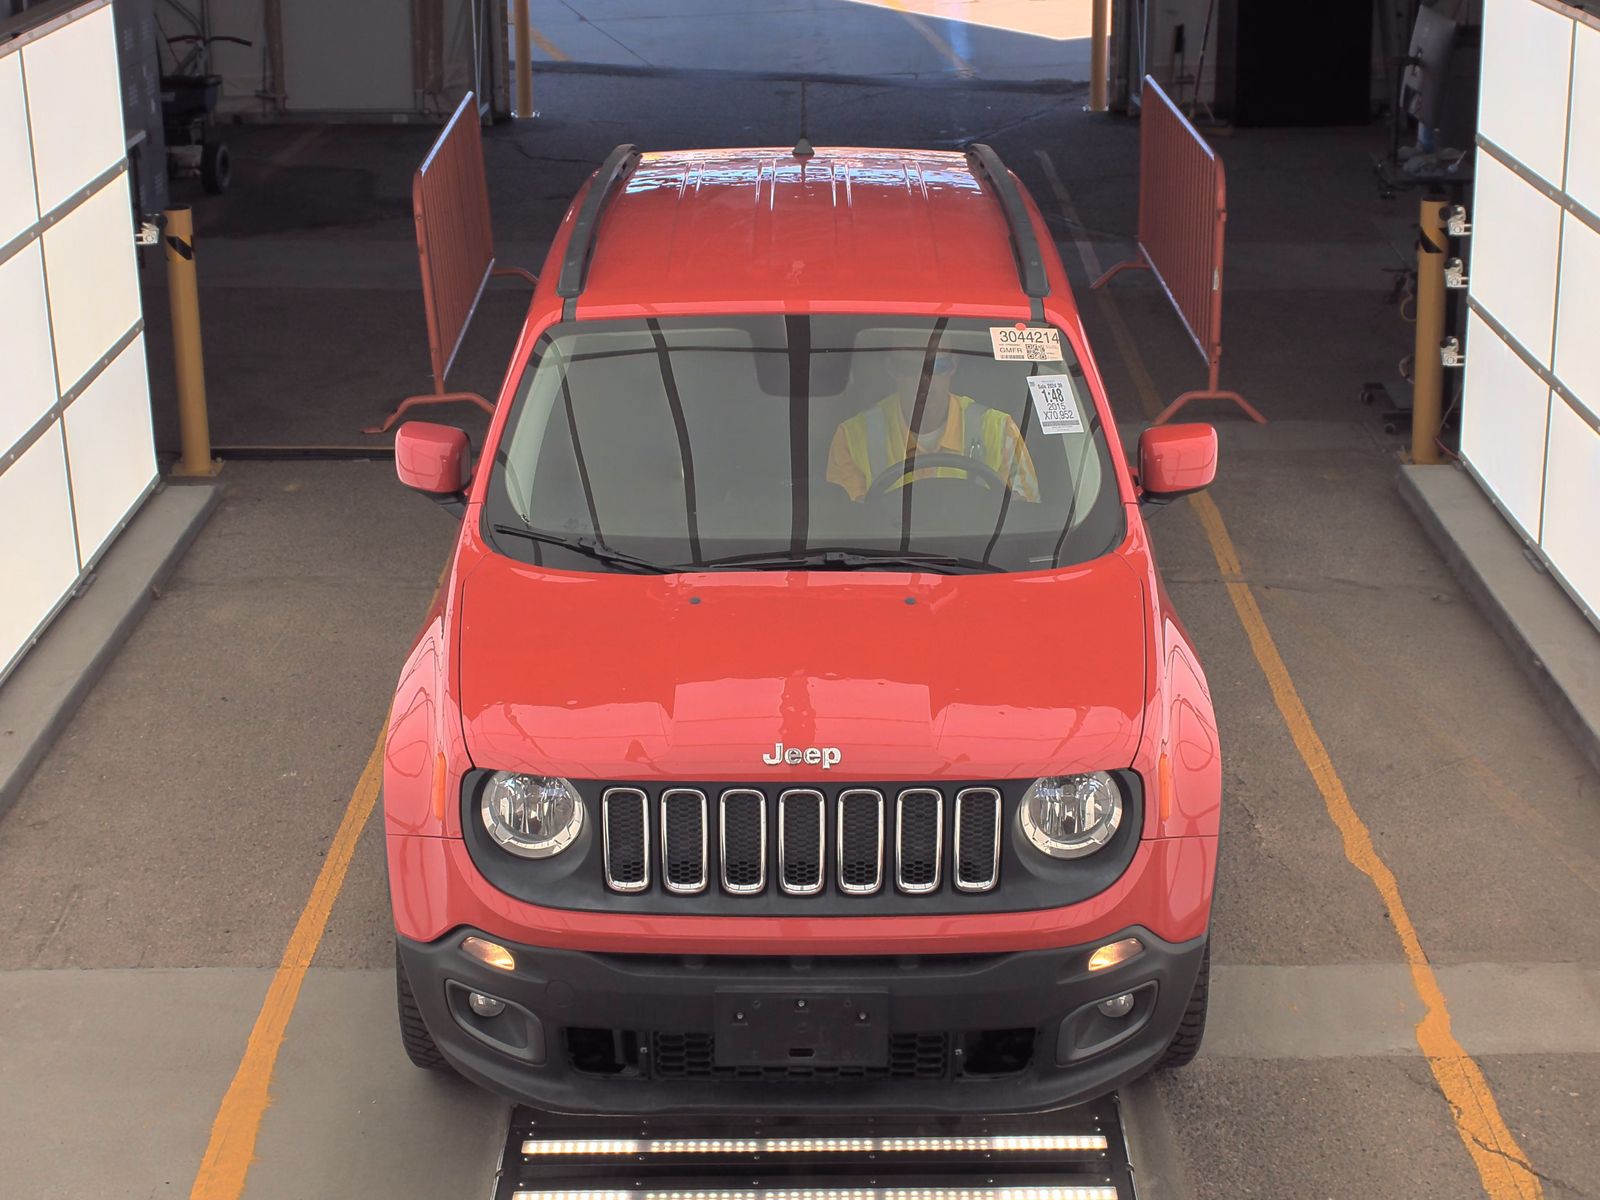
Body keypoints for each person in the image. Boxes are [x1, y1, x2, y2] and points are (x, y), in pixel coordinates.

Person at [826, 348, 1040, 503]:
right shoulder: (852, 436)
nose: (922, 379)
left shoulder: (1001, 430)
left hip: (982, 562)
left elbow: (1025, 516)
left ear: (953, 364)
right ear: (891, 368)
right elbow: (846, 525)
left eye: (936, 365)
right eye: (908, 367)